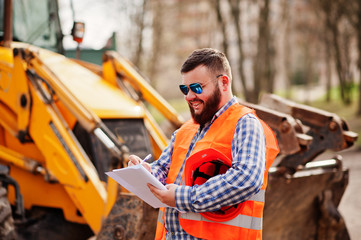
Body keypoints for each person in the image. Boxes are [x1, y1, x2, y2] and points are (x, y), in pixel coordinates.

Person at [128, 48, 278, 240]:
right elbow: (165, 169)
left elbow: (247, 178)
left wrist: (184, 197)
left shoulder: (245, 123)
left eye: (197, 88)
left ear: (223, 83)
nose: (189, 96)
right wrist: (146, 172)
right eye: (185, 89)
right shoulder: (186, 130)